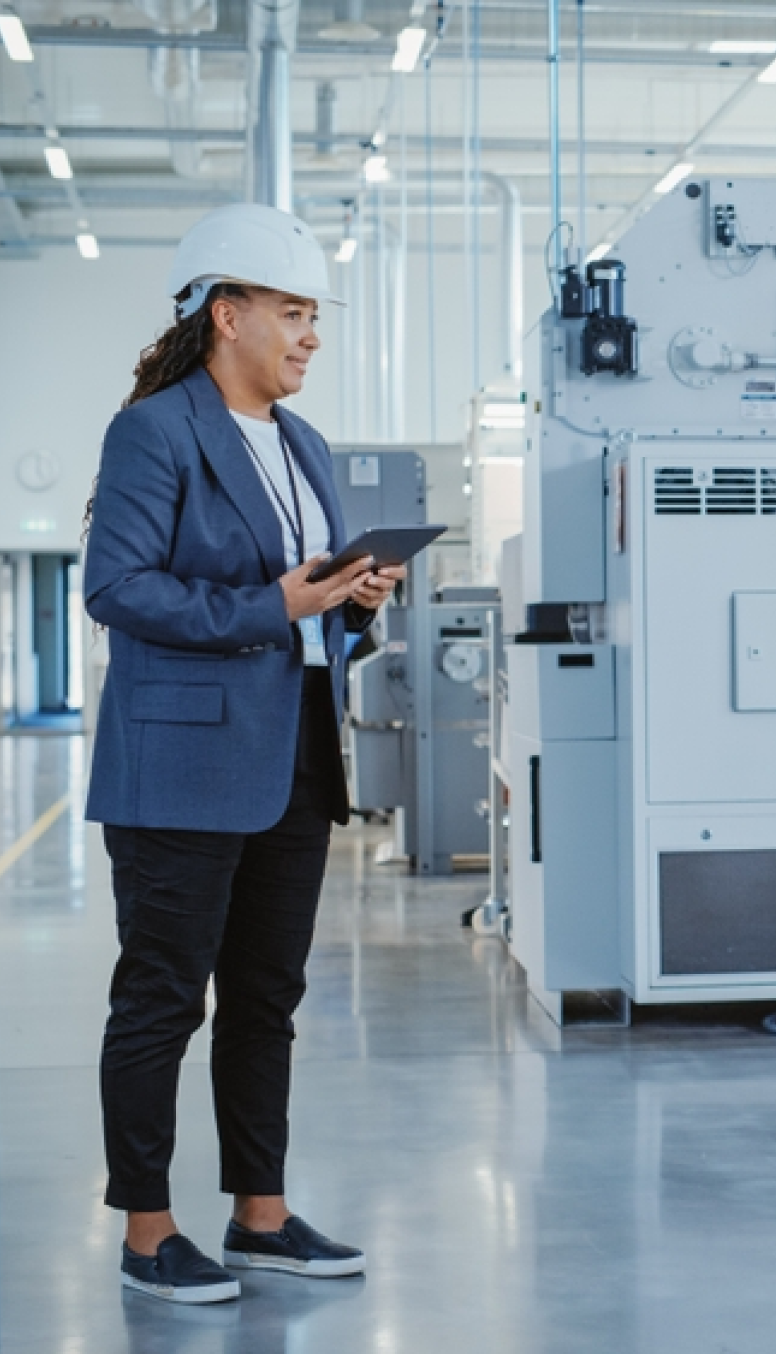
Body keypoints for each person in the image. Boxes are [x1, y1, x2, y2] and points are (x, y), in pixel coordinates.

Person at [85, 203, 399, 1304]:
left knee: (267, 996)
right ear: (229, 314)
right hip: (180, 767)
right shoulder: (155, 431)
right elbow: (117, 589)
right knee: (163, 998)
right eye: (295, 313)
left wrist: (353, 601)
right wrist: (276, 604)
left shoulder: (303, 444)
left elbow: (306, 603)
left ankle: (260, 1216)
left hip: (295, 753)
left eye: (315, 317)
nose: (312, 336)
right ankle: (148, 1230)